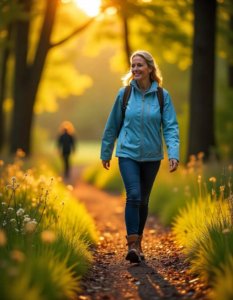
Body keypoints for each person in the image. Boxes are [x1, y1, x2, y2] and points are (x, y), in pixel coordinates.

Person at [100, 50, 179, 263]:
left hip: (152, 156)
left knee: (143, 200)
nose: (135, 69)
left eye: (140, 65)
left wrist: (174, 153)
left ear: (150, 69)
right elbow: (112, 125)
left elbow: (171, 127)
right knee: (133, 195)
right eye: (133, 65)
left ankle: (139, 241)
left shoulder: (163, 96)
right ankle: (132, 244)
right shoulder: (124, 94)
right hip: (127, 153)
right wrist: (106, 151)